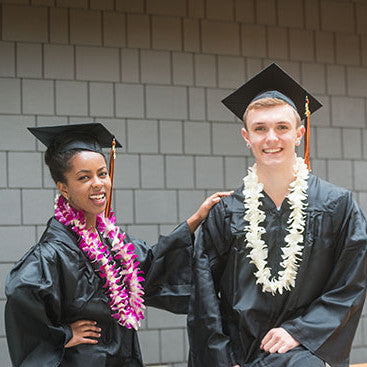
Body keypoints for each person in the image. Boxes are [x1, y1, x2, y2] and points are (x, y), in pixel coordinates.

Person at [5, 123, 231, 367]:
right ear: (64, 189)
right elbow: (22, 300)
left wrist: (195, 220)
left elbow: (152, 265)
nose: (98, 183)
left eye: (102, 173)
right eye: (84, 177)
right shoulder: (53, 253)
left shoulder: (113, 241)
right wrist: (64, 335)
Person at [187, 63, 367, 367]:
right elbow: (204, 298)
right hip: (237, 354)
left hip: (301, 353)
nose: (271, 138)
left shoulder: (337, 205)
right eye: (260, 129)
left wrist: (301, 331)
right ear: (246, 136)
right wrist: (219, 358)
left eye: (282, 127)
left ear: (299, 133)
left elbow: (351, 282)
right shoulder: (226, 212)